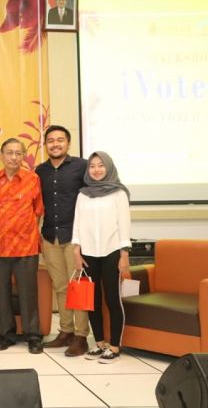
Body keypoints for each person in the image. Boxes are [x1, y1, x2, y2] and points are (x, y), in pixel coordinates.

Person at [35, 125, 90, 356]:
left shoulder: (82, 166)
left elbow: (91, 200)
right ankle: (66, 331)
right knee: (60, 287)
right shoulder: (40, 171)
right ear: (45, 144)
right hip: (50, 236)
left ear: (68, 143)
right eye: (51, 140)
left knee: (78, 287)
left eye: (60, 140)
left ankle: (81, 336)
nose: (55, 144)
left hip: (75, 237)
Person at [72, 151, 131, 364]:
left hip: (112, 251)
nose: (96, 170)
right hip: (88, 252)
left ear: (109, 167)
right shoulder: (83, 194)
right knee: (92, 301)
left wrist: (124, 254)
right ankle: (99, 343)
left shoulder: (118, 193)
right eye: (92, 166)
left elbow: (124, 224)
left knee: (113, 300)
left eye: (101, 165)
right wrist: (76, 251)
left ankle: (114, 346)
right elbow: (77, 223)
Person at [0, 138, 45, 354]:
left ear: (23, 156)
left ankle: (33, 335)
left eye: (18, 153)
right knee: (2, 293)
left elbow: (38, 211)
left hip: (26, 247)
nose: (13, 157)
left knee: (28, 293)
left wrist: (27, 231)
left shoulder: (33, 179)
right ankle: (6, 334)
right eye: (9, 153)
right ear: (1, 156)